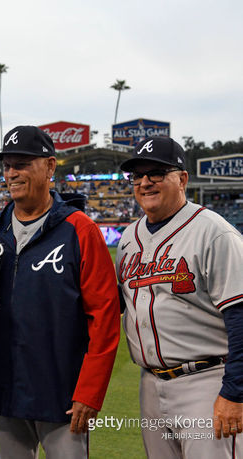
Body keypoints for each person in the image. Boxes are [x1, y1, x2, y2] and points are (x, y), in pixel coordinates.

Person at [0, 126, 121, 458]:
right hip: (4, 388)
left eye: (23, 164)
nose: (12, 173)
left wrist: (90, 391)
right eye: (7, 165)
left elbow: (105, 318)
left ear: (50, 167)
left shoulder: (80, 230)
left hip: (63, 395)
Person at [117, 136, 243, 458]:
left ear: (182, 178)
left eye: (156, 173)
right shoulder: (129, 238)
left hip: (207, 381)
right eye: (138, 175)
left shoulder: (215, 233)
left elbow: (241, 318)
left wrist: (235, 393)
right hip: (150, 384)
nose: (145, 182)